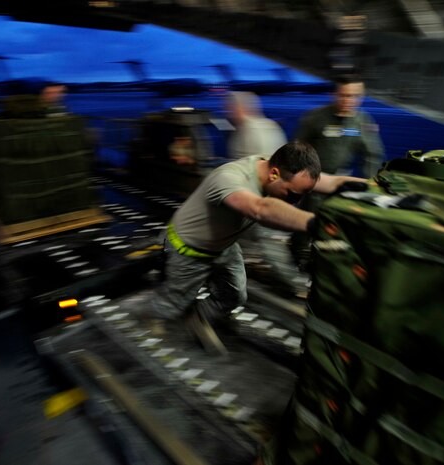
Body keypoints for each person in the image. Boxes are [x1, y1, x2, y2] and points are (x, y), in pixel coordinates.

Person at [147, 140, 367, 355]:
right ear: (274, 174)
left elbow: (333, 183)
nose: (296, 202)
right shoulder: (230, 178)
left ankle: (199, 316)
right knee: (173, 303)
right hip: (188, 249)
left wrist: (377, 189)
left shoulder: (281, 170)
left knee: (234, 295)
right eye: (293, 195)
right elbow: (260, 209)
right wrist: (320, 225)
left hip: (223, 244)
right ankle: (151, 332)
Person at [225, 91, 306, 297]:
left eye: (230, 108)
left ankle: (295, 284)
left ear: (239, 108)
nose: (228, 112)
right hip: (279, 191)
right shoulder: (270, 126)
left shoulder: (247, 131)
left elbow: (252, 169)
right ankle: (242, 268)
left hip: (264, 196)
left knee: (268, 240)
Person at [295, 74, 384, 178]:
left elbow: (372, 154)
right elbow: (297, 148)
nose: (349, 101)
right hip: (314, 177)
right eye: (343, 95)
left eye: (355, 96)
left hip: (342, 178)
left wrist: (370, 181)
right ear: (333, 94)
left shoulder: (364, 120)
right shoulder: (315, 117)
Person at [225, 91, 287, 160]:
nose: (228, 113)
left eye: (229, 109)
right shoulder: (272, 124)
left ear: (238, 108)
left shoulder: (246, 128)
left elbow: (246, 163)